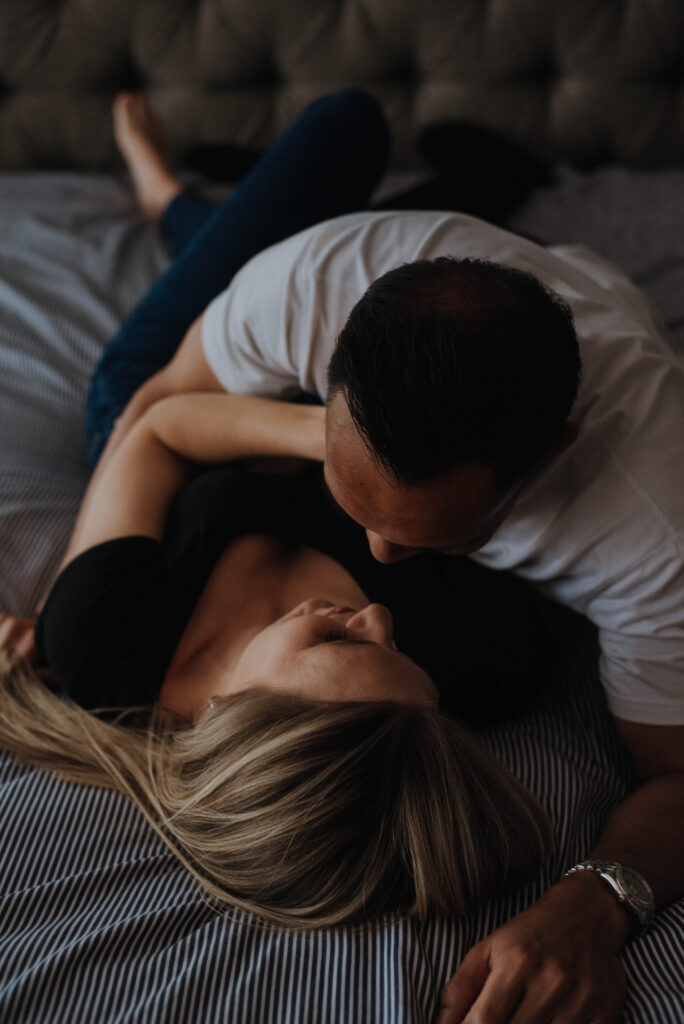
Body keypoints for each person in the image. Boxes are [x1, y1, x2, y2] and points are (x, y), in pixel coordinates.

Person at [75, 91, 684, 1023]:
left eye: (430, 533)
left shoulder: (652, 531)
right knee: (345, 126)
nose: (383, 571)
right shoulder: (311, 289)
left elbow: (674, 776)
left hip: (221, 446)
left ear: (551, 457)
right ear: (330, 375)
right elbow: (156, 416)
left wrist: (595, 904)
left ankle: (180, 204)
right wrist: (312, 436)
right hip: (229, 403)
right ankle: (172, 197)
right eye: (359, 496)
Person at [0, 91, 555, 936]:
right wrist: (371, 433)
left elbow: (159, 431)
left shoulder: (100, 645)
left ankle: (171, 201)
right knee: (464, 300)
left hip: (171, 390)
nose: (376, 615)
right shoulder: (484, 656)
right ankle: (206, 221)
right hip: (339, 385)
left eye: (337, 639)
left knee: (348, 125)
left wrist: (351, 444)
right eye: (401, 654)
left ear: (227, 717)